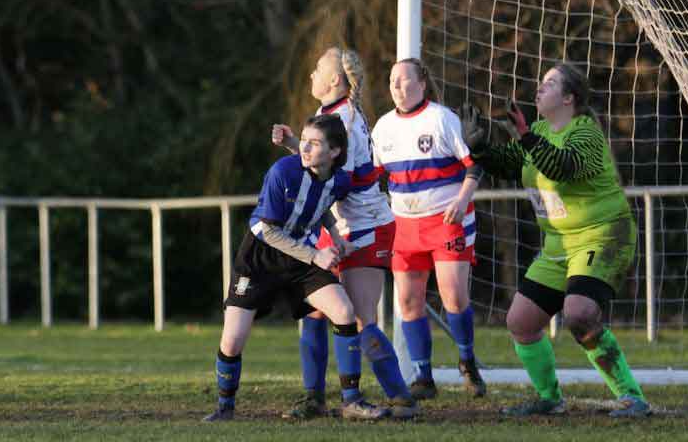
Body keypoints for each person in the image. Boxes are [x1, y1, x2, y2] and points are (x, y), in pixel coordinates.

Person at [465, 64, 650, 418]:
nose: (539, 88)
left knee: (579, 313)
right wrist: (480, 148)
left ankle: (631, 396)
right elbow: (507, 165)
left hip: (603, 234)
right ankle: (549, 399)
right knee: (520, 321)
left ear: (569, 98)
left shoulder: (586, 134)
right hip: (559, 244)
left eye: (549, 84)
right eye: (540, 81)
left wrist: (525, 137)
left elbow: (562, 167)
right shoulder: (536, 131)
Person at [205, 114, 390, 422]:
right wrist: (316, 255)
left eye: (314, 143)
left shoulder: (339, 179)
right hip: (260, 257)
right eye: (303, 140)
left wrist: (336, 237)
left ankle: (351, 400)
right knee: (232, 340)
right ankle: (225, 407)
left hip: (301, 258)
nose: (304, 147)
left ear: (334, 153)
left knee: (344, 312)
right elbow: (267, 231)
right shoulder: (282, 172)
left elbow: (323, 204)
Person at [271, 47, 415, 419]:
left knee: (361, 317)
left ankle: (400, 398)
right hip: (336, 225)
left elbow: (341, 178)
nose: (311, 75)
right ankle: (313, 398)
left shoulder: (346, 117)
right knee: (316, 311)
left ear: (335, 80)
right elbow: (323, 165)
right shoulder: (327, 114)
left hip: (366, 226)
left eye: (318, 69)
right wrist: (293, 145)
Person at [370, 57, 485, 399]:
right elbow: (373, 179)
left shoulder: (441, 119)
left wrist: (462, 199)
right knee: (408, 301)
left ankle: (466, 359)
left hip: (448, 220)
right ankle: (423, 377)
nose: (397, 87)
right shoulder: (383, 127)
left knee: (453, 295)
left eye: (404, 80)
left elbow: (474, 165)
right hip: (404, 226)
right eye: (392, 81)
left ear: (422, 83)